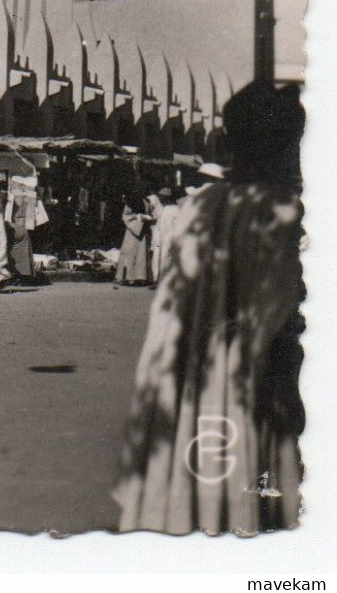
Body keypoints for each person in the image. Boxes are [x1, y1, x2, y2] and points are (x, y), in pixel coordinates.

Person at [115, 79, 303, 533]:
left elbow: (172, 314)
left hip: (193, 383)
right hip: (258, 392)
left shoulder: (202, 207)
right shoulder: (284, 213)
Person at [114, 189, 154, 286]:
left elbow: (126, 216)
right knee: (135, 254)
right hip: (137, 230)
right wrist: (140, 219)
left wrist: (145, 218)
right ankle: (135, 277)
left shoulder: (141, 202)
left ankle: (135, 277)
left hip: (137, 230)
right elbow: (126, 216)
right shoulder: (143, 202)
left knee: (136, 254)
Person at [148, 187, 181, 284]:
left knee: (166, 259)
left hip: (169, 238)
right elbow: (159, 225)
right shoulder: (163, 209)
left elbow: (177, 226)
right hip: (160, 237)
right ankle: (156, 279)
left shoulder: (176, 209)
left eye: (161, 198)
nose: (159, 200)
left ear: (167, 198)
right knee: (156, 258)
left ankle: (165, 281)